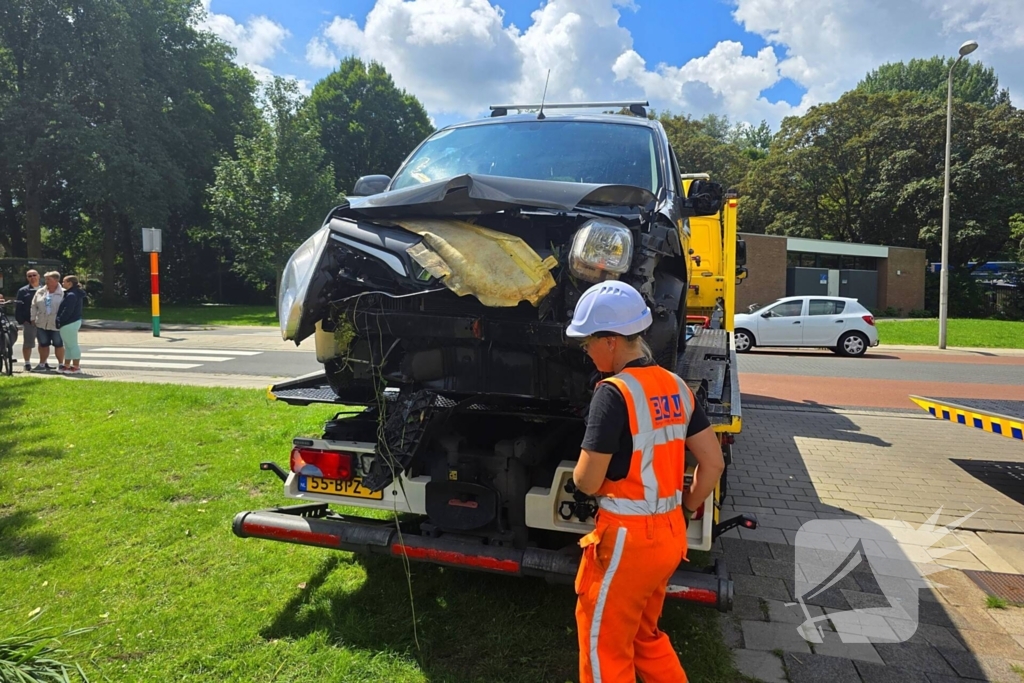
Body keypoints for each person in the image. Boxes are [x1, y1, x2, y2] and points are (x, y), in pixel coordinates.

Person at [566, 280, 725, 683]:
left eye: (588, 342)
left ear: (611, 341)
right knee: (643, 635)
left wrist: (585, 477)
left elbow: (586, 481)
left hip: (627, 540)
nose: (586, 351)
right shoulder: (677, 386)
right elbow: (713, 464)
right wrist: (687, 508)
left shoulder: (613, 393)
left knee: (604, 646)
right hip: (670, 534)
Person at [30, 271, 65, 372]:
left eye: (49, 279)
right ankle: (42, 364)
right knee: (43, 344)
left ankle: (61, 365)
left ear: (56, 280)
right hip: (41, 322)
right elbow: (33, 306)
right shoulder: (40, 292)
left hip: (56, 324)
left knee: (58, 344)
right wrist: (33, 318)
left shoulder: (63, 292)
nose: (46, 282)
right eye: (46, 279)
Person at [56, 275, 85, 374]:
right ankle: (67, 365)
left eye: (64, 281)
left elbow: (68, 310)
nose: (62, 283)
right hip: (72, 322)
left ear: (70, 283)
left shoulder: (71, 295)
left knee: (72, 345)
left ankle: (76, 367)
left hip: (69, 322)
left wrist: (60, 319)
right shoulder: (74, 293)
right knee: (68, 345)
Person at [14, 269, 41, 371]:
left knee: (43, 343)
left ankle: (43, 363)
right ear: (27, 278)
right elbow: (18, 307)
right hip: (29, 322)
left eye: (34, 275)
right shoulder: (23, 291)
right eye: (29, 276)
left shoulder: (45, 289)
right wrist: (22, 321)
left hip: (43, 322)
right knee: (28, 343)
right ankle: (27, 363)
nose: (32, 277)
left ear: (38, 276)